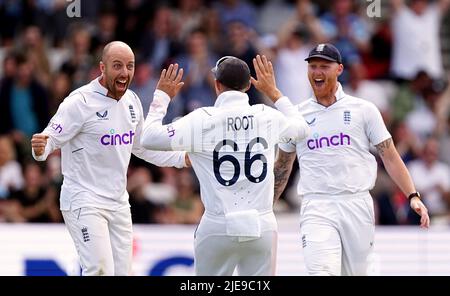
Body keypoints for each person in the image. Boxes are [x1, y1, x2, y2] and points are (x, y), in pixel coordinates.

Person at [140, 55, 309, 275]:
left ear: (217, 85)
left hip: (217, 225)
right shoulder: (267, 115)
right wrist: (274, 92)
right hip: (262, 224)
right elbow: (303, 129)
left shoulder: (201, 119)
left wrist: (162, 97)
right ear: (249, 85)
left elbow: (148, 138)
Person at [30, 41, 187, 276]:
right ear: (102, 68)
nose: (125, 73)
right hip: (84, 200)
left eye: (130, 66)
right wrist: (39, 149)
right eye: (118, 66)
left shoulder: (132, 101)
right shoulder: (80, 102)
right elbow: (49, 140)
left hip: (118, 203)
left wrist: (182, 159)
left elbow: (143, 148)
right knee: (100, 271)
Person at [273, 43, 430, 276]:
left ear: (339, 69)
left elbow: (390, 155)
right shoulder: (297, 115)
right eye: (313, 66)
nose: (317, 72)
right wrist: (265, 207)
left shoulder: (363, 110)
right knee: (321, 272)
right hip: (317, 205)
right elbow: (282, 165)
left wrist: (412, 195)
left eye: (324, 66)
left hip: (356, 204)